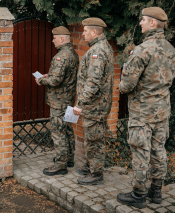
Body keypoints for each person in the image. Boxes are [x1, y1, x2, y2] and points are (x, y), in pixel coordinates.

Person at [117, 7, 175, 209]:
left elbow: (126, 86)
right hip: (162, 111)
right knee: (159, 150)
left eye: (143, 20)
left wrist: (122, 80)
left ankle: (139, 194)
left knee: (141, 152)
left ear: (153, 23)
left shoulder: (143, 50)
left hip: (142, 112)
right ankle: (157, 191)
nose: (141, 23)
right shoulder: (171, 50)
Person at [73, 17, 114, 185]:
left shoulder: (97, 51)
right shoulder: (101, 47)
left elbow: (93, 82)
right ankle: (93, 169)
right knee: (94, 138)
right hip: (97, 105)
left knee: (94, 140)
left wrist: (79, 103)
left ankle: (96, 175)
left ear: (94, 32)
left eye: (85, 31)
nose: (83, 34)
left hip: (95, 106)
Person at [36, 26, 79, 176]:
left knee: (58, 131)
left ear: (61, 38)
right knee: (67, 129)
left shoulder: (61, 56)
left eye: (54, 38)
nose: (53, 41)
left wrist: (41, 80)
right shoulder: (73, 54)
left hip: (59, 101)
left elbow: (55, 81)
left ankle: (60, 165)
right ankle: (69, 158)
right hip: (68, 99)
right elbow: (64, 76)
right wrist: (51, 75)